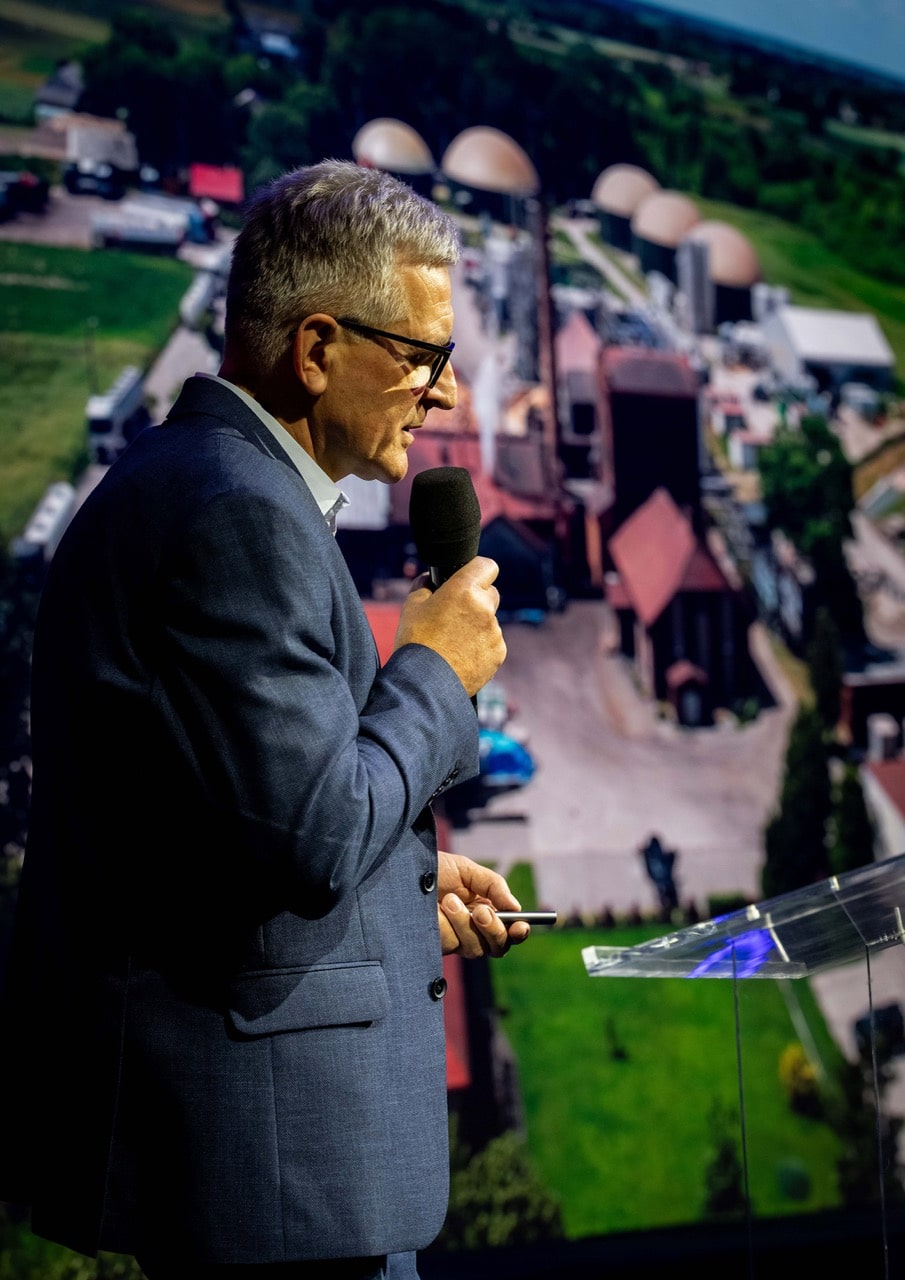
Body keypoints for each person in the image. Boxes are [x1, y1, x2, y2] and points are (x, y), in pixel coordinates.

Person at [0, 160, 531, 1279]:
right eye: (424, 358)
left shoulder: (198, 483)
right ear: (318, 348)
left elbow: (223, 823)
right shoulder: (237, 515)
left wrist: (409, 884)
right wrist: (434, 670)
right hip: (274, 1180)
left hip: (260, 1175)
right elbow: (311, 835)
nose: (442, 394)